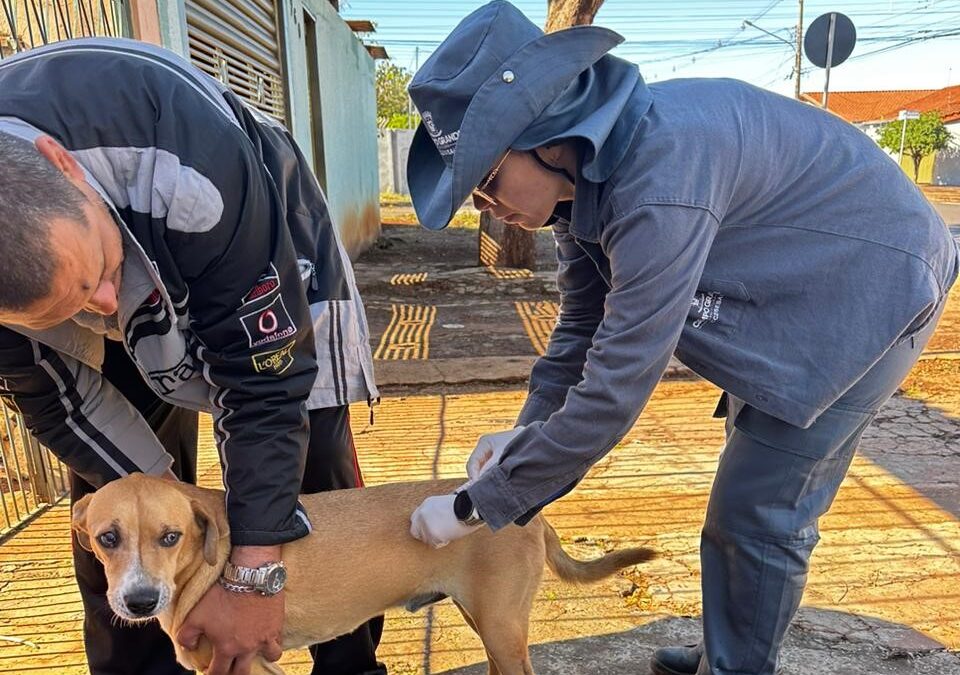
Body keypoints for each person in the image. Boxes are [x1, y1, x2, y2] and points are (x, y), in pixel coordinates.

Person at [405, 3, 959, 674]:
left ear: (547, 132)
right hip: (788, 289)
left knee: (759, 506)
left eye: (488, 181)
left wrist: (476, 505)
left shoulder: (658, 179)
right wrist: (525, 436)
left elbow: (614, 391)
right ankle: (734, 644)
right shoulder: (582, 181)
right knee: (750, 498)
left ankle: (736, 664)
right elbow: (581, 331)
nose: (486, 209)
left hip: (874, 283)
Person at [0, 38, 384, 675]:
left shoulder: (189, 168)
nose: (106, 307)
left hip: (248, 242)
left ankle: (351, 667)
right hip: (118, 237)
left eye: (95, 275)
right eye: (70, 307)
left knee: (314, 466)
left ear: (63, 167)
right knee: (121, 507)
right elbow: (57, 405)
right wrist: (169, 506)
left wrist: (256, 572)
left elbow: (265, 384)